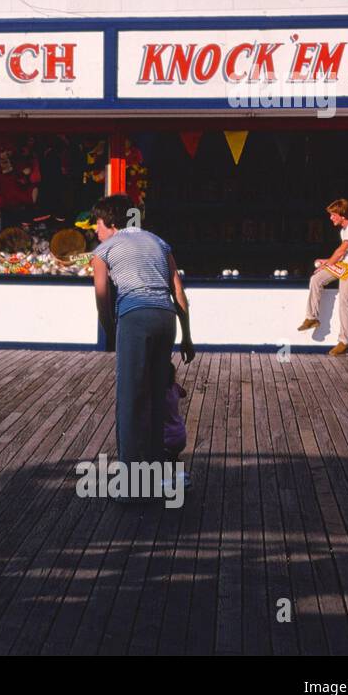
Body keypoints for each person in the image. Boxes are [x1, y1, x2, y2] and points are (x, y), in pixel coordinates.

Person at [90, 194, 195, 496]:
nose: (95, 230)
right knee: (157, 395)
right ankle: (159, 473)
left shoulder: (104, 249)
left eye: (97, 223)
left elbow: (102, 298)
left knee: (131, 398)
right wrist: (187, 337)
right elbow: (179, 291)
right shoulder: (159, 242)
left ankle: (133, 483)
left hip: (135, 316)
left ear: (110, 223)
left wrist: (111, 332)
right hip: (166, 318)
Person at [298, 198, 348, 356]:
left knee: (344, 300)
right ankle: (312, 317)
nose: (331, 218)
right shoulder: (343, 230)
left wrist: (327, 264)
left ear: (342, 215)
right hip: (346, 265)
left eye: (333, 215)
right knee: (316, 279)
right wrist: (327, 262)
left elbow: (341, 251)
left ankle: (344, 342)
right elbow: (343, 256)